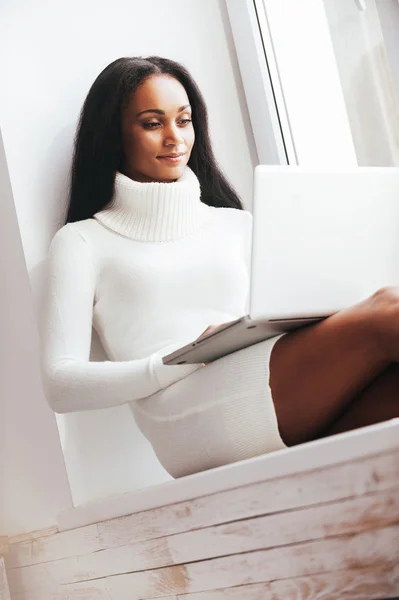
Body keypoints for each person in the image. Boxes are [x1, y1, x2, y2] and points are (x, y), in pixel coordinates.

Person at [41, 56, 399, 478]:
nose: (175, 137)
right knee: (389, 310)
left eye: (184, 120)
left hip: (264, 377)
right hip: (182, 413)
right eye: (152, 123)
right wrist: (178, 361)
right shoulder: (82, 241)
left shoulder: (236, 222)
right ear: (115, 135)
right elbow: (60, 384)